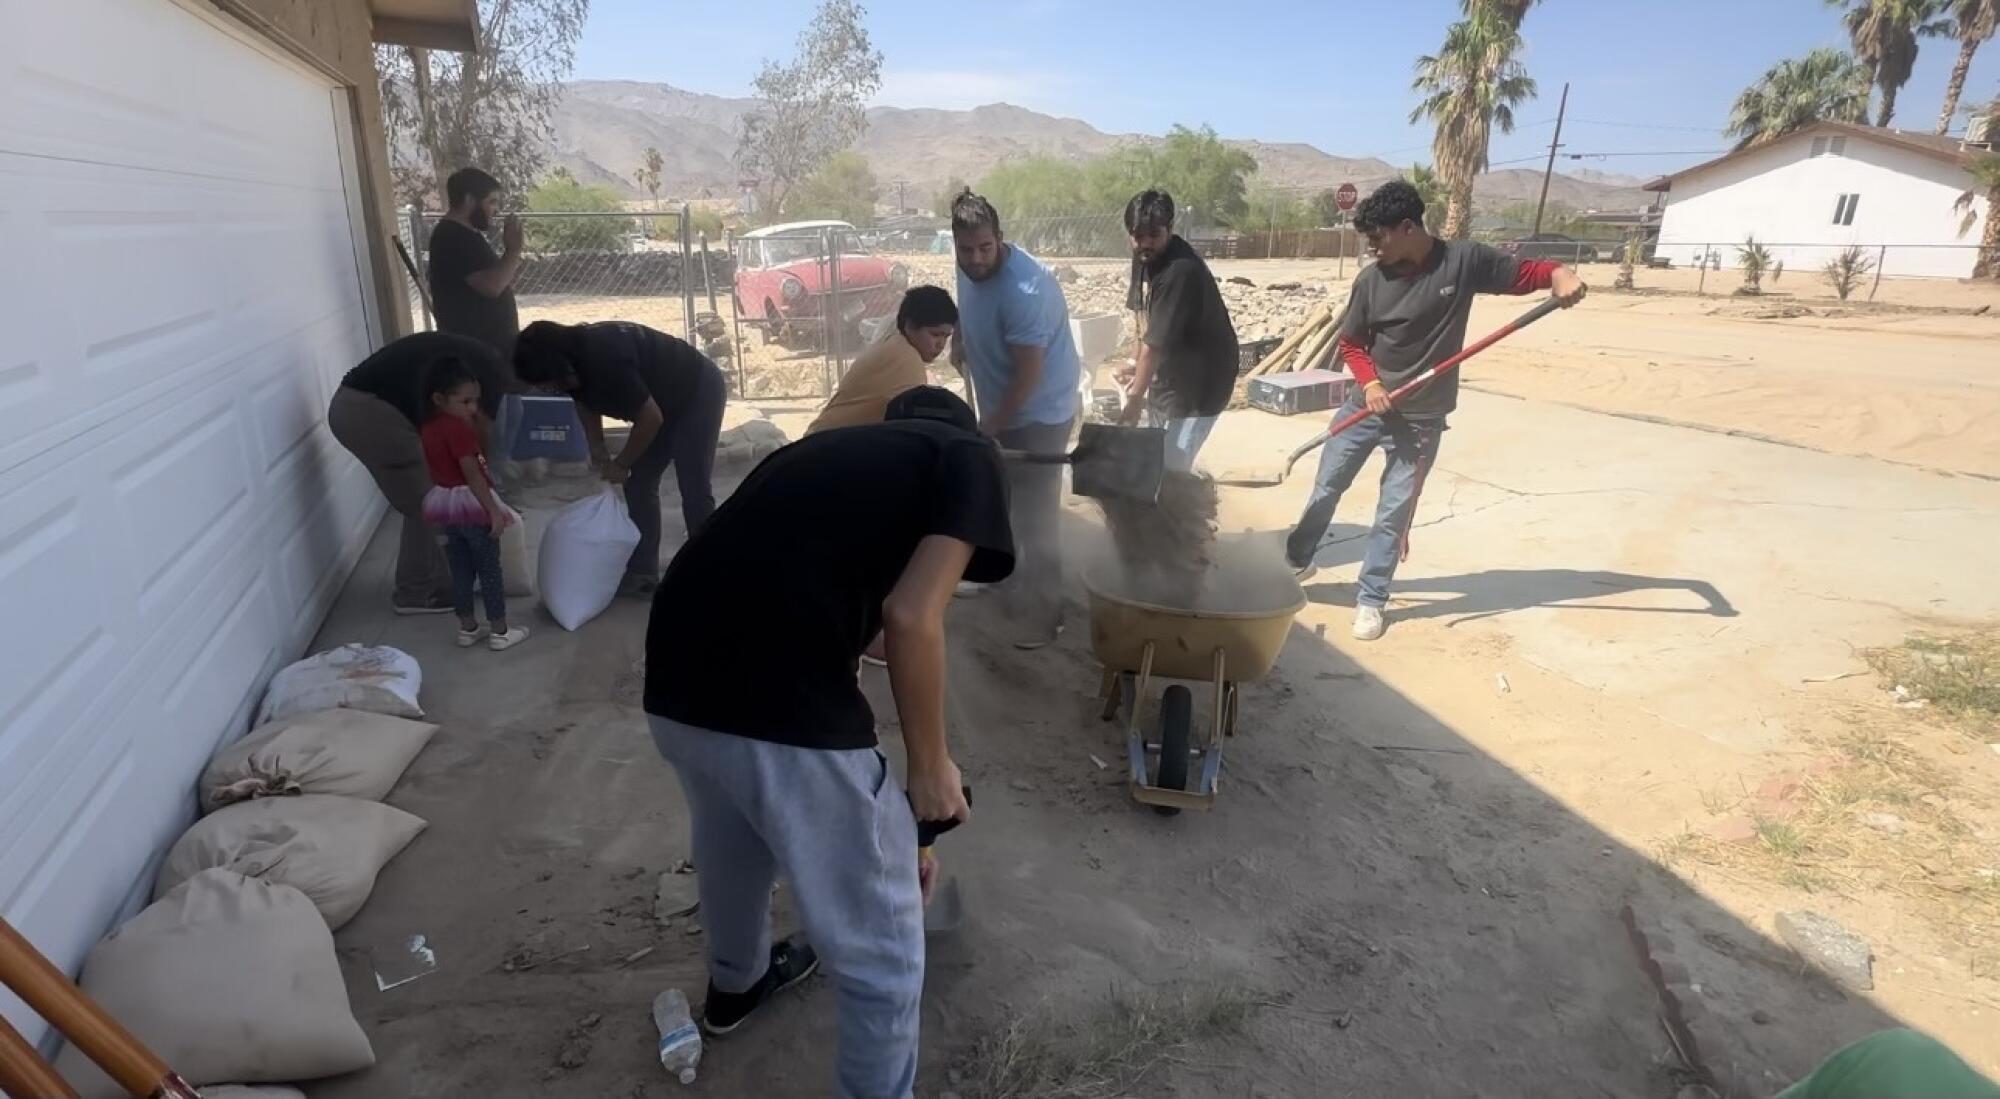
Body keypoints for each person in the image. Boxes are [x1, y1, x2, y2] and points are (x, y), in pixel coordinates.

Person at [643, 386, 1013, 1099]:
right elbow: (909, 618)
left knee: (733, 835)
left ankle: (737, 985)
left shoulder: (817, 456)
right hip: (778, 698)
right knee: (883, 948)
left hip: (675, 681)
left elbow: (865, 624)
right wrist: (929, 771)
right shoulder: (970, 456)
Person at [1283, 179, 1586, 641]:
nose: (1372, 249)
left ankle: (1371, 599)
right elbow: (1351, 342)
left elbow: (1525, 275)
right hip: (1364, 407)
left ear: (1407, 228)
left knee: (1393, 513)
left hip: (1421, 419)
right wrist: (1369, 384)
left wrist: (1560, 274)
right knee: (1326, 487)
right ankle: (1297, 558)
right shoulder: (1371, 282)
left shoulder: (1463, 261)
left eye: (1378, 238)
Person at [948, 189, 1082, 649]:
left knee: (1036, 516)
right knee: (1002, 501)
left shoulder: (1026, 290)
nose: (976, 258)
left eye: (985, 248)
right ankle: (1003, 577)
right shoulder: (967, 264)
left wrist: (992, 424)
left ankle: (1048, 616)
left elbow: (1030, 373)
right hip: (1003, 406)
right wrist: (960, 339)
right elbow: (967, 300)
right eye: (966, 249)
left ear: (1000, 239)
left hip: (1040, 412)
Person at [512, 320, 727, 595]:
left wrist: (622, 463)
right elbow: (583, 399)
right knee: (638, 483)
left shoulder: (604, 359)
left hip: (696, 391)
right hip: (661, 402)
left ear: (556, 365)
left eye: (545, 383)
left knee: (694, 487)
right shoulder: (572, 363)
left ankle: (712, 573)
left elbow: (649, 419)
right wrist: (596, 445)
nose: (545, 389)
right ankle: (642, 573)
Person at [328, 332, 513, 615]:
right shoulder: (489, 375)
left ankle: (437, 579)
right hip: (370, 413)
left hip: (358, 406)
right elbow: (477, 433)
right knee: (431, 500)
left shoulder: (474, 357)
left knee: (430, 494)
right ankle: (417, 592)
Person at [1114, 189, 1239, 472]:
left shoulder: (1180, 271)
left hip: (1203, 384)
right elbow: (1142, 322)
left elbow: (1154, 345)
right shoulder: (1143, 258)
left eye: (1154, 235)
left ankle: (1192, 512)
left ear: (1170, 229)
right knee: (1157, 455)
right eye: (1137, 236)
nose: (1145, 243)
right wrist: (1135, 364)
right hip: (1171, 376)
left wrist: (1134, 402)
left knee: (1173, 466)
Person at [418, 359, 529, 651]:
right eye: (465, 401)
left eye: (475, 402)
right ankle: (500, 631)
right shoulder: (458, 430)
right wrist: (493, 511)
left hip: (445, 504)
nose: (472, 408)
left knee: (461, 570)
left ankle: (467, 628)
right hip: (471, 504)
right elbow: (472, 473)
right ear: (439, 399)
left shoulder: (429, 429)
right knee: (490, 570)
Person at [806, 286, 958, 435]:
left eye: (946, 337)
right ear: (910, 326)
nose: (941, 344)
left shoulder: (894, 344)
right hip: (826, 449)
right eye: (935, 335)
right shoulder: (905, 357)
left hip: (826, 443)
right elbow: (915, 428)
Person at [428, 167, 523, 361]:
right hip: (475, 353)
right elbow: (492, 286)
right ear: (469, 200)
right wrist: (514, 250)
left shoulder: (467, 235)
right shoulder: (452, 238)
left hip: (489, 350)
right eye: (491, 201)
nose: (496, 210)